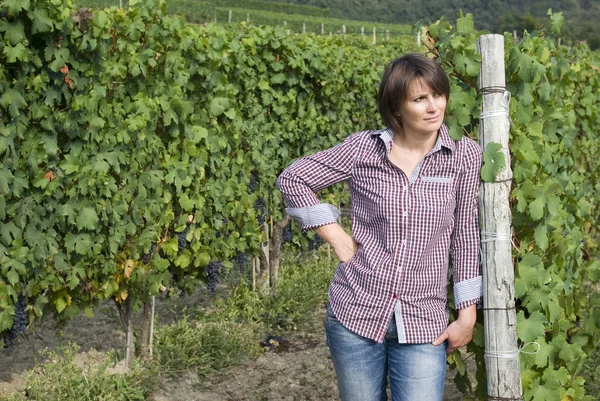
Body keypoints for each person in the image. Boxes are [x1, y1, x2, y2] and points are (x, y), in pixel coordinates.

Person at [276, 53, 482, 401]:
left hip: (423, 320)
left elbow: (464, 235)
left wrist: (467, 312)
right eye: (419, 99)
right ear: (396, 107)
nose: (434, 107)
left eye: (438, 95)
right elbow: (293, 179)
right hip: (355, 311)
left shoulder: (463, 155)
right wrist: (337, 236)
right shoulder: (364, 150)